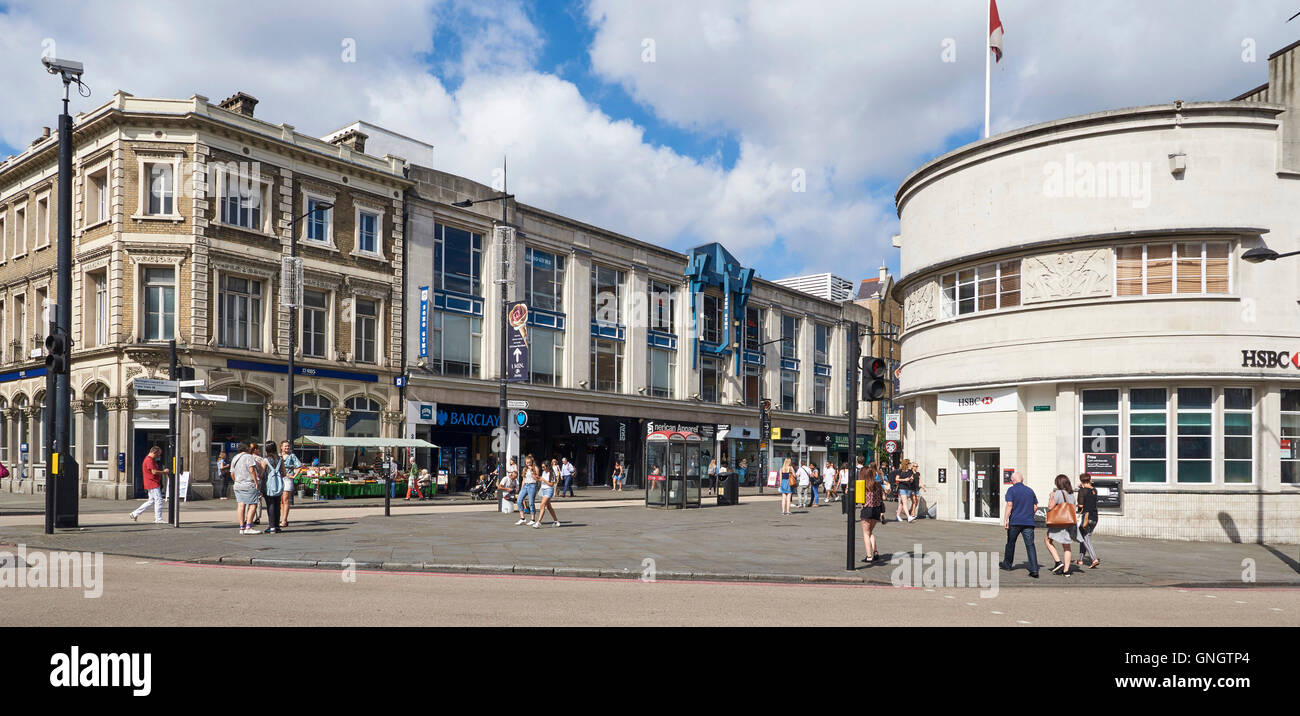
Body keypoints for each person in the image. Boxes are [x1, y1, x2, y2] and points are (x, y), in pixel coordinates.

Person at [999, 471, 1039, 578]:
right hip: (1028, 522)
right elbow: (1035, 507)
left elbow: (1009, 504)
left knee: (1011, 543)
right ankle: (1034, 569)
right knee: (1030, 545)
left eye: (1011, 480)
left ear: (1013, 480)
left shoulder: (1011, 490)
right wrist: (1029, 514)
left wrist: (1006, 519)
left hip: (1015, 522)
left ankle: (1007, 564)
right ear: (1022, 480)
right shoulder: (1030, 491)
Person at [1044, 474, 1079, 577]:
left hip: (1058, 522)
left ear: (1058, 483)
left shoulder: (1058, 493)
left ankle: (1058, 562)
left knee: (1048, 540)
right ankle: (1066, 570)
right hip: (1069, 522)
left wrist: (1051, 497)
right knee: (1067, 545)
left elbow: (1050, 506)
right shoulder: (1071, 494)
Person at [129, 445, 170, 524]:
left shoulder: (150, 459)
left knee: (151, 501)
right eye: (158, 454)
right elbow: (154, 472)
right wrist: (164, 472)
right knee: (158, 500)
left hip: (151, 482)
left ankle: (134, 513)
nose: (159, 455)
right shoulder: (149, 460)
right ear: (154, 452)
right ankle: (158, 518)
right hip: (152, 482)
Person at [230, 442, 263, 535]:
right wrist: (256, 482)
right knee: (253, 505)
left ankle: (241, 527)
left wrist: (236, 481)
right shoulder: (249, 457)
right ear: (246, 448)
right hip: (248, 484)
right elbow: (251, 470)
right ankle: (248, 526)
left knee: (241, 505)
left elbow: (232, 473)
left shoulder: (235, 458)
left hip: (238, 485)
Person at [859, 465, 889, 563]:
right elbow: (884, 498)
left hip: (867, 510)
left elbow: (859, 500)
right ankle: (875, 552)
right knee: (870, 532)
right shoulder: (878, 485)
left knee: (865, 533)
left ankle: (869, 556)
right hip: (877, 510)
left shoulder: (862, 485)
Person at [1076, 473, 1101, 569]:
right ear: (1089, 479)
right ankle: (1081, 559)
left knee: (1085, 538)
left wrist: (1080, 489)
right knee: (1084, 536)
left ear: (1081, 481)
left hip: (1086, 517)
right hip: (1095, 517)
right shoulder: (1094, 490)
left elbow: (1081, 504)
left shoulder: (1082, 491)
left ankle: (1094, 559)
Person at [261, 441, 285, 533]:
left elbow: (261, 474)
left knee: (270, 505)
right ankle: (277, 526)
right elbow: (284, 473)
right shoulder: (280, 459)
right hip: (278, 485)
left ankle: (271, 527)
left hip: (268, 485)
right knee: (277, 505)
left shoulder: (265, 460)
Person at [278, 441, 302, 528]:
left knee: (285, 499)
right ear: (281, 447)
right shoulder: (278, 456)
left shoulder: (292, 456)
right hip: (279, 479)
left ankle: (284, 520)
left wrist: (294, 476)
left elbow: (299, 466)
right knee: (281, 500)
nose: (287, 448)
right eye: (285, 446)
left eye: (288, 446)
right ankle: (282, 518)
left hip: (287, 479)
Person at [534, 459, 561, 528]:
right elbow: (541, 480)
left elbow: (551, 484)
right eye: (542, 467)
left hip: (549, 490)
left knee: (542, 505)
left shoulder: (552, 474)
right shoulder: (544, 472)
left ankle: (538, 522)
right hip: (543, 490)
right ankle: (556, 521)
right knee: (549, 507)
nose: (543, 469)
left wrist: (543, 480)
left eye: (544, 467)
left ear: (548, 466)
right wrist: (537, 478)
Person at [516, 456, 538, 526]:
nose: (528, 464)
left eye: (529, 462)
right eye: (527, 462)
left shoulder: (535, 468)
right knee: (519, 500)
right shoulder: (524, 469)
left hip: (532, 485)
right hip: (525, 485)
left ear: (532, 462)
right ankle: (522, 518)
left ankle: (533, 519)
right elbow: (523, 479)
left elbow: (537, 478)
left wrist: (532, 471)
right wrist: (522, 489)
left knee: (531, 503)